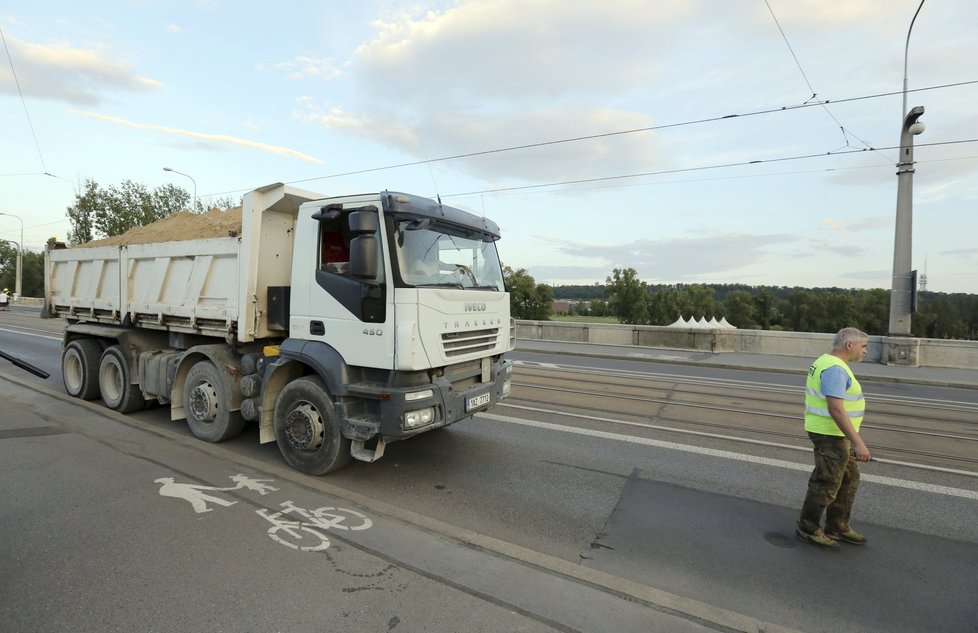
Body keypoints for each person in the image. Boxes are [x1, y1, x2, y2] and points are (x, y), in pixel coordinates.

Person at [796, 327, 871, 550]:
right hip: (830, 434)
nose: (865, 351)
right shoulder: (835, 369)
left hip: (835, 433)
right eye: (863, 346)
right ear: (850, 345)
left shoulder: (827, 361)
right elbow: (836, 409)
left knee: (848, 479)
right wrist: (858, 442)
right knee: (826, 482)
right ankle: (807, 528)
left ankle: (837, 526)